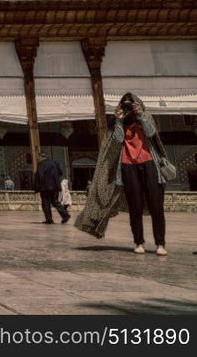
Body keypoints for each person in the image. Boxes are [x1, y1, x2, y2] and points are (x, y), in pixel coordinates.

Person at [80, 92, 168, 255]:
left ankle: (160, 244)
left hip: (149, 164)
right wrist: (119, 120)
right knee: (135, 207)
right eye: (126, 104)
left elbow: (151, 133)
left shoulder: (146, 115)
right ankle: (139, 242)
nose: (129, 107)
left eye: (132, 103)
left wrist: (140, 115)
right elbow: (118, 139)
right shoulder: (117, 121)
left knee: (156, 206)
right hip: (128, 166)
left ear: (138, 103)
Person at [34, 152, 70, 224]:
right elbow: (60, 173)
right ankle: (65, 215)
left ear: (41, 157)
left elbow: (40, 175)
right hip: (54, 186)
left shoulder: (41, 164)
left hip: (45, 187)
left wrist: (38, 186)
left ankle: (49, 219)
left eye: (38, 157)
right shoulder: (55, 163)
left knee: (45, 203)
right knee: (55, 201)